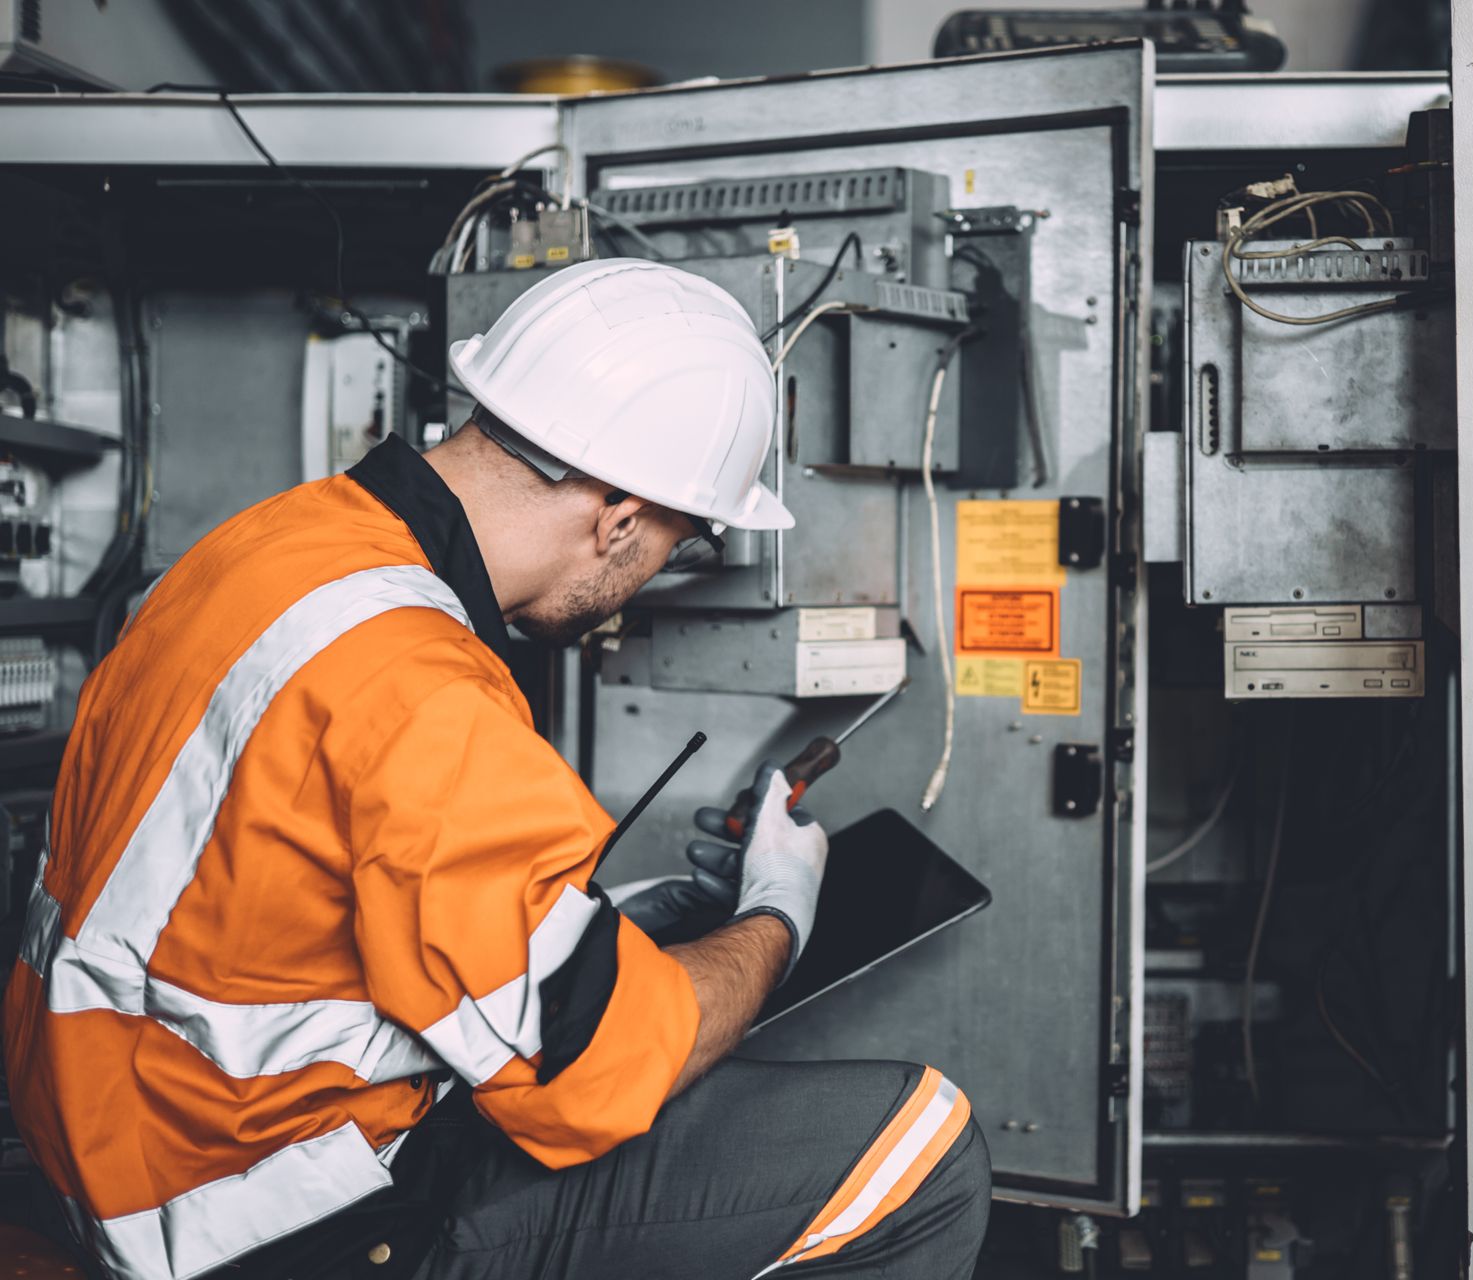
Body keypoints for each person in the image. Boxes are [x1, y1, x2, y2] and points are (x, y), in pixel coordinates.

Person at [2, 260, 990, 1280]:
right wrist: (778, 914)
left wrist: (641, 915)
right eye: (678, 541)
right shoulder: (431, 690)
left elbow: (284, 894)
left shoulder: (269, 549)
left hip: (115, 1144)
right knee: (922, 1147)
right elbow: (596, 1072)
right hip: (258, 1211)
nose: (655, 573)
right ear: (616, 517)